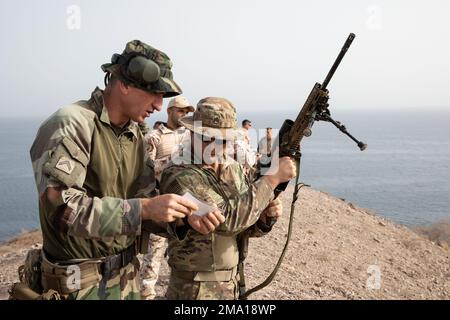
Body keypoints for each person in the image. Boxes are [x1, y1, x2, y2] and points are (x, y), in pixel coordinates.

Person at [26, 40, 223, 300]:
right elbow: (62, 211)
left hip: (127, 279)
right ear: (125, 84)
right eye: (154, 94)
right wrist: (143, 208)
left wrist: (183, 218)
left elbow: (146, 200)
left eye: (163, 98)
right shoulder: (72, 125)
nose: (158, 106)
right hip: (79, 287)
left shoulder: (135, 135)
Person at [159, 97, 297, 300]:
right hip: (193, 289)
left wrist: (265, 218)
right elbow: (227, 221)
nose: (216, 147)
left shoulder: (231, 168)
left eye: (223, 141)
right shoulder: (179, 173)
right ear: (191, 132)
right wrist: (271, 180)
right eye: (207, 138)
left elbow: (243, 228)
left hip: (230, 284)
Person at [140, 95, 194, 299]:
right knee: (153, 255)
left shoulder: (190, 135)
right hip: (160, 204)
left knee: (182, 254)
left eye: (187, 112)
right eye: (180, 110)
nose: (184, 115)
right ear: (170, 111)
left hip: (186, 204)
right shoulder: (154, 137)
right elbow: (145, 172)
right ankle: (146, 294)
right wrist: (173, 162)